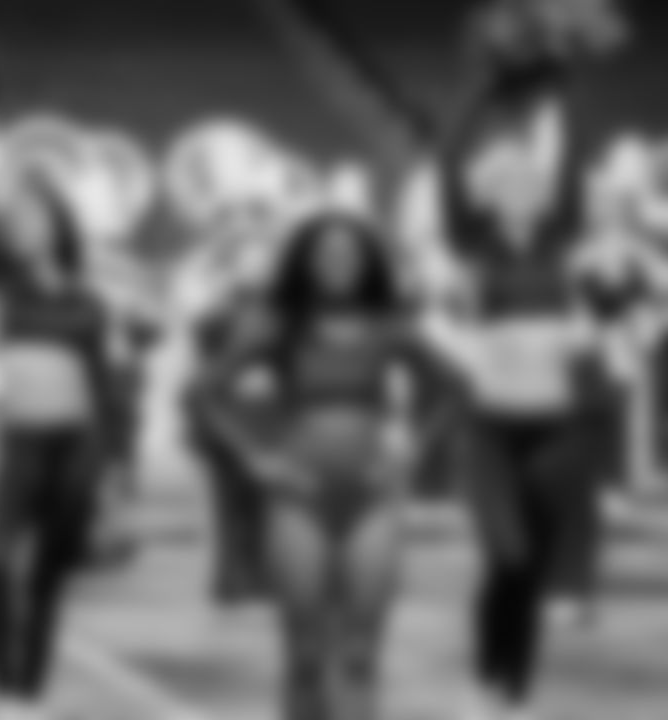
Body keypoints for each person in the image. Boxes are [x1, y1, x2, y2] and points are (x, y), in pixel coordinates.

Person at [422, 2, 625, 716]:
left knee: (533, 560)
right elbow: (449, 156)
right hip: (489, 425)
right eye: (506, 179)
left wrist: (560, 77)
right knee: (504, 551)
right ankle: (486, 675)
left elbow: (570, 154)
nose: (522, 187)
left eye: (530, 181)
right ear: (485, 189)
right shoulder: (467, 246)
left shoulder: (564, 244)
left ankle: (514, 686)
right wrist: (488, 83)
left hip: (556, 421)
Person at [191, 208, 447, 720]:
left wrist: (413, 452)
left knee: (361, 653)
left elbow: (450, 390)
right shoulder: (277, 326)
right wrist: (255, 459)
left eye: (350, 253)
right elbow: (204, 393)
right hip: (298, 497)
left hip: (373, 496)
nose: (338, 262)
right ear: (305, 262)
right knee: (304, 655)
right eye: (325, 254)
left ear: (369, 262)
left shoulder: (391, 326)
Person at [0, 54, 131, 720]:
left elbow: (108, 388)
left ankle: (30, 697)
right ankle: (1, 692)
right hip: (14, 442)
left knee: (50, 575)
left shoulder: (88, 301)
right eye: (15, 216)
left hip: (76, 446)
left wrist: (116, 470)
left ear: (58, 222)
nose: (25, 223)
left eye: (36, 213)